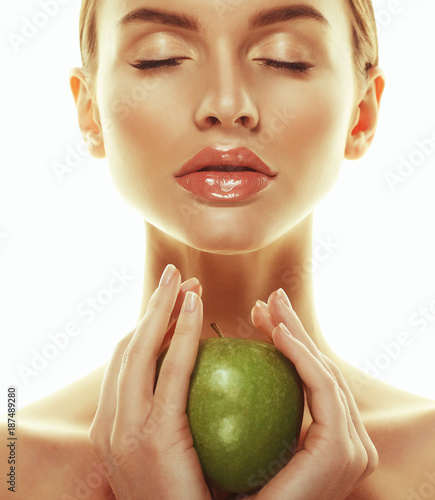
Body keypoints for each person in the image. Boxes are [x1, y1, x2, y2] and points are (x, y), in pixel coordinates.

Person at [3, 1, 435, 499]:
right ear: (92, 111)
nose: (227, 103)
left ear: (362, 113)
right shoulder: (11, 464)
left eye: (284, 57)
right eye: (159, 58)